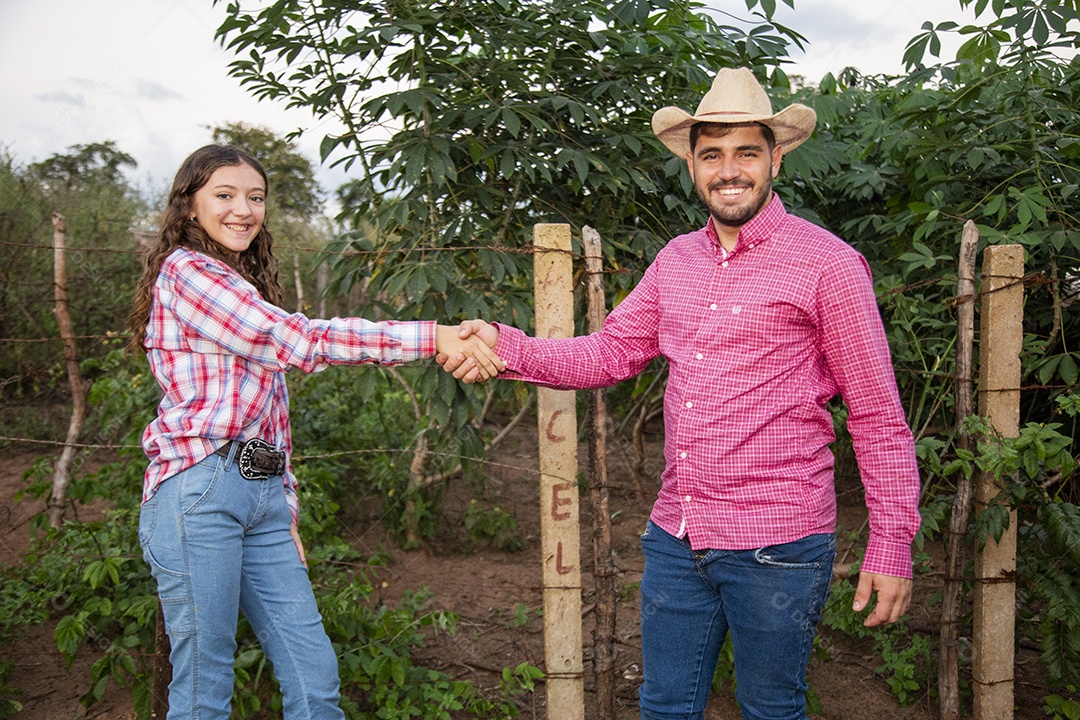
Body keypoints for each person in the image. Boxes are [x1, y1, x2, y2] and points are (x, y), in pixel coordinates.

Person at [441, 67, 921, 720]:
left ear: (775, 157)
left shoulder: (828, 265)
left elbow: (878, 416)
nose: (730, 170)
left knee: (771, 708)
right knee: (664, 705)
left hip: (776, 543)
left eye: (747, 152)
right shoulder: (675, 261)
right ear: (692, 165)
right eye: (712, 154)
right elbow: (608, 352)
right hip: (677, 535)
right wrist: (506, 346)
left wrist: (892, 544)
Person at [127, 144, 504, 719]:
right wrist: (432, 337)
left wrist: (283, 504)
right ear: (189, 206)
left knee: (314, 673)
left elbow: (269, 414)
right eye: (224, 196)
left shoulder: (236, 281)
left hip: (261, 497)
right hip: (198, 492)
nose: (243, 210)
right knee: (205, 687)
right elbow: (299, 342)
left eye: (255, 198)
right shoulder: (189, 272)